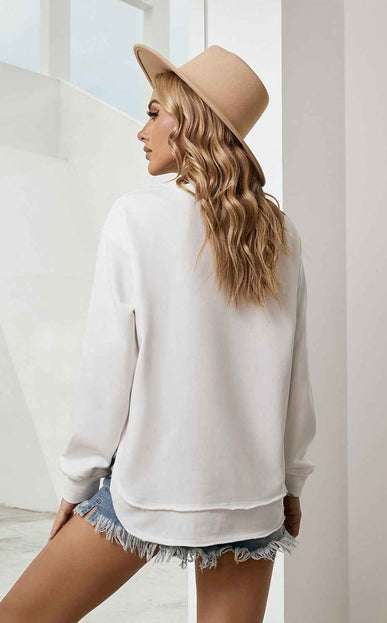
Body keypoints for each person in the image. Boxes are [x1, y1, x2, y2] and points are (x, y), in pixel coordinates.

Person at [0, 44, 316, 623]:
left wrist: (78, 485)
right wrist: (290, 482)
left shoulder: (136, 216)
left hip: (152, 486)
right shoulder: (281, 233)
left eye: (153, 113)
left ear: (190, 122)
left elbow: (107, 368)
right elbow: (297, 375)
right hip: (253, 494)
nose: (141, 131)